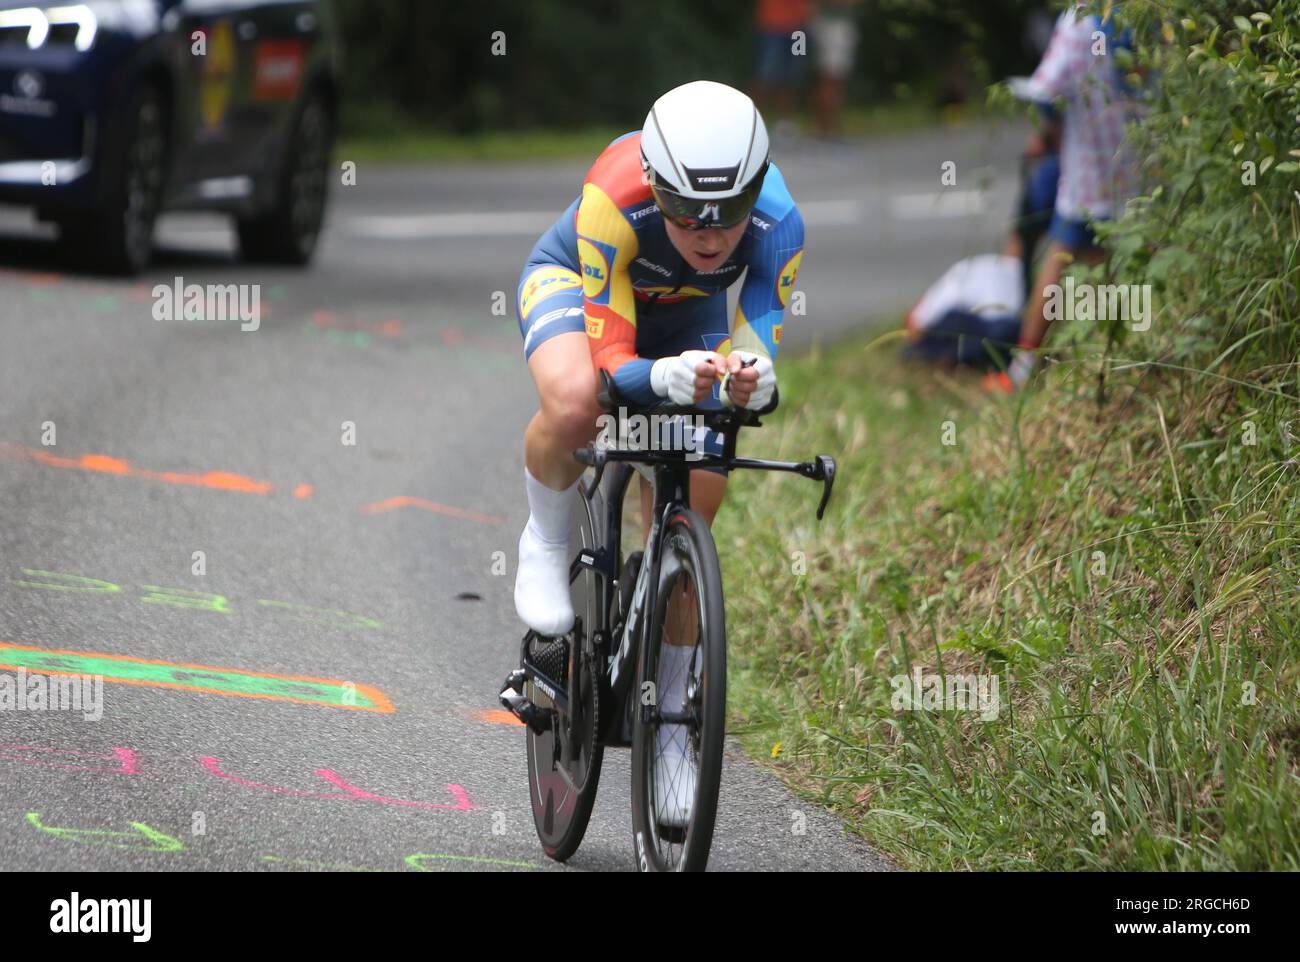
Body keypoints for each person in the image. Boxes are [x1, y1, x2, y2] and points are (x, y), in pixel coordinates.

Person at [511, 80, 805, 824]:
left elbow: (757, 346)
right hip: (581, 291)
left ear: (757, 191)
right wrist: (658, 377)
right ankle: (544, 539)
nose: (709, 236)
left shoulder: (779, 223)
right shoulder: (615, 196)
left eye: (728, 216)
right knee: (580, 405)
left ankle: (674, 713)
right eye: (684, 214)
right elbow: (613, 359)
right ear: (655, 186)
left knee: (702, 476)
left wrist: (753, 378)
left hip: (689, 320)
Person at [984, 4, 1139, 393]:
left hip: (1090, 167)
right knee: (1118, 257)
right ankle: (1113, 362)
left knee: (1061, 255)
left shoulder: (1077, 22)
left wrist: (1045, 134)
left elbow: (1048, 90)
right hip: (1140, 163)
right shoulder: (1143, 14)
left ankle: (1024, 367)